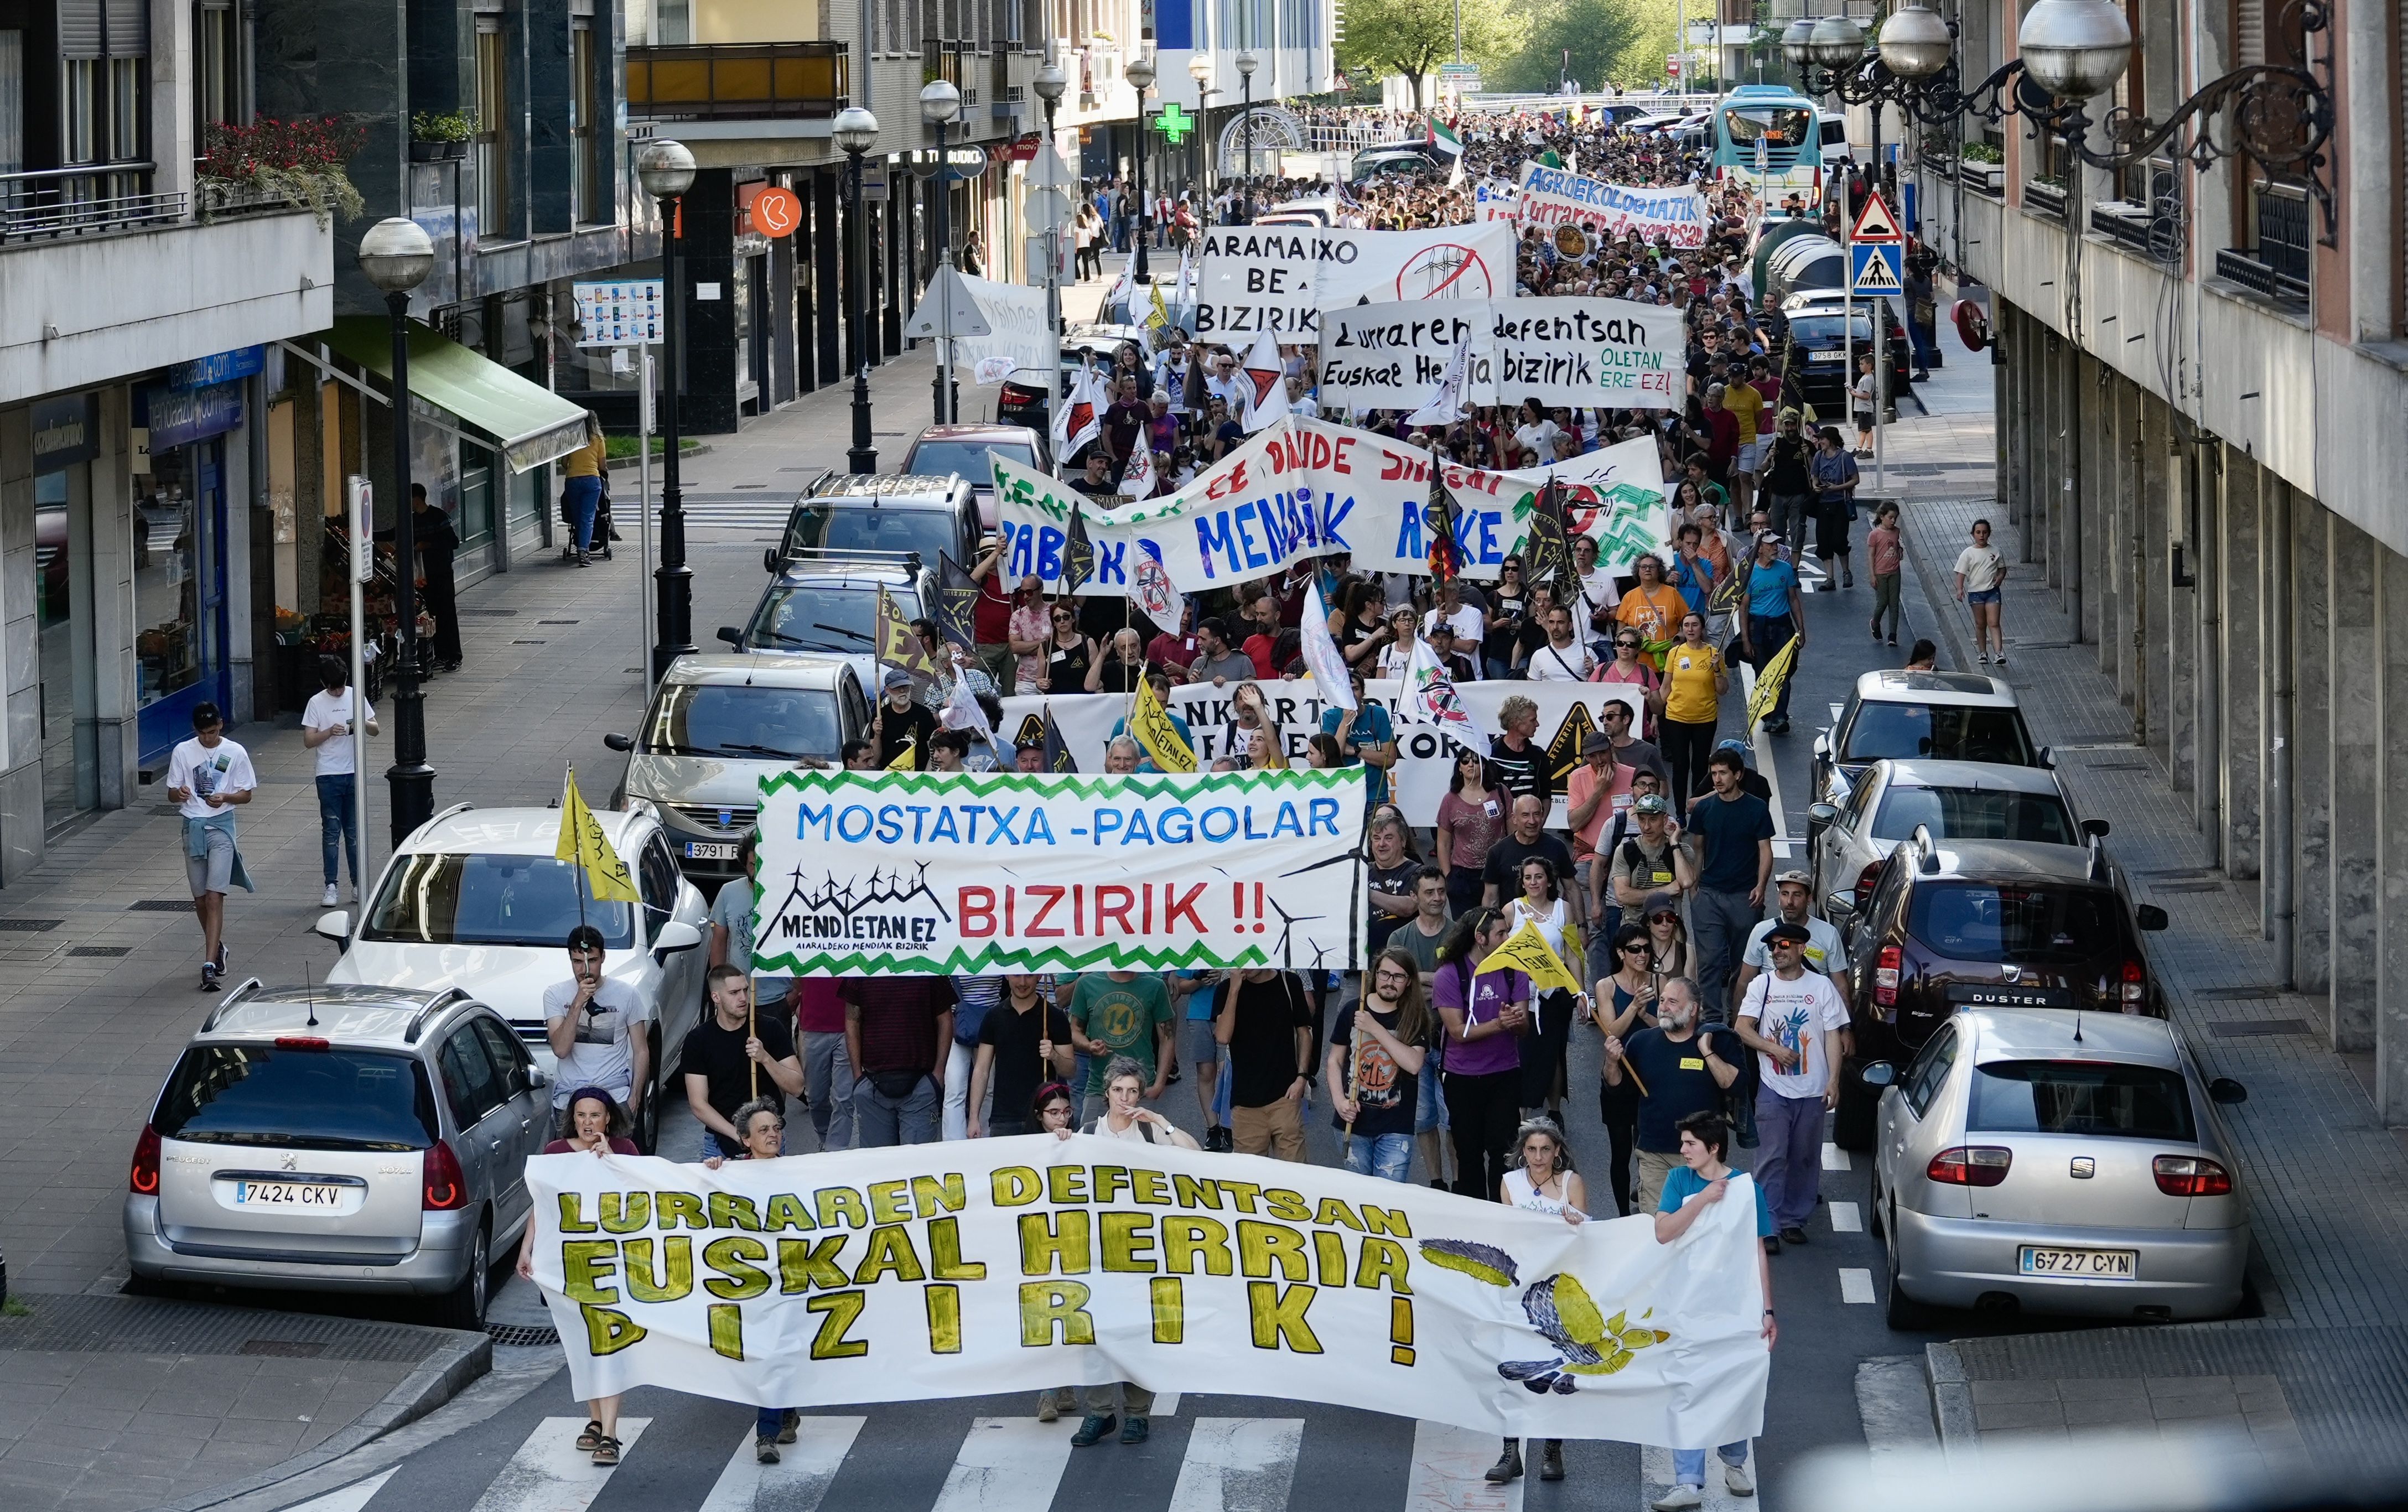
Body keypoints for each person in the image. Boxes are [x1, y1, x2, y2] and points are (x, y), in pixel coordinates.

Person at [1063, 1057, 1198, 1447]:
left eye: (1133, 1091)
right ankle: (1100, 1412)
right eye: (1119, 1090)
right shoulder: (1088, 1132)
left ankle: (1138, 1415)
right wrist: (1059, 1141)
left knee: (1138, 1332)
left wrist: (1160, 1121)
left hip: (1143, 1249)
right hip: (1096, 1250)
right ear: (1107, 1092)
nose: (1125, 1098)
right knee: (1097, 1332)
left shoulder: (1149, 1132)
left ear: (1141, 1094)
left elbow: (1193, 1155)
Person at [1649, 1110, 1774, 1511]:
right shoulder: (1679, 1180)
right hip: (1686, 1303)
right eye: (1683, 1142)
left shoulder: (1746, 1188)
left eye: (1690, 1143)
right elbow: (1664, 1231)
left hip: (1734, 1303)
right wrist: (1704, 1198)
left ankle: (1734, 1463)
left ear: (1713, 1147)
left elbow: (1758, 1249)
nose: (1683, 1149)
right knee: (1687, 1388)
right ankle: (1688, 1481)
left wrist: (1767, 1310)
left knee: (1733, 1383)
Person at [515, 1088, 638, 1466]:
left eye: (596, 1115)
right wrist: (527, 1248)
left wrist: (611, 1160)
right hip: (569, 1264)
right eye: (581, 1115)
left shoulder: (626, 1149)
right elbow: (543, 1206)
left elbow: (642, 1197)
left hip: (613, 1264)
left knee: (608, 1342)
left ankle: (612, 1433)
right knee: (581, 1340)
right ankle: (596, 1420)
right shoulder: (554, 1152)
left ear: (609, 1119)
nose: (588, 1122)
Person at [1734, 923, 1851, 1250]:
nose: (1777, 951)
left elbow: (1832, 1035)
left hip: (1812, 1090)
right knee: (1771, 1156)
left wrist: (1833, 1080)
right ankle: (1767, 1225)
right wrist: (1773, 1049)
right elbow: (1742, 1028)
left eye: (1784, 945)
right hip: (1773, 1088)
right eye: (1773, 946)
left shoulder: (1822, 987)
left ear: (1802, 949)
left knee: (1803, 1157)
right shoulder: (1762, 985)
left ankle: (1793, 1220)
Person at [1488, 1116, 1586, 1486]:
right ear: (1522, 1151)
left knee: (1554, 1372)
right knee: (1512, 1370)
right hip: (1520, 1290)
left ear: (1557, 1150)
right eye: (1532, 1149)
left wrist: (1577, 1223)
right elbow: (1509, 1236)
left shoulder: (1572, 1183)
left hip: (1560, 1294)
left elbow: (1585, 1238)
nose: (1539, 1156)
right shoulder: (1510, 1183)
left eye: (1546, 1149)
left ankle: (1551, 1450)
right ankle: (1510, 1451)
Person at [1602, 978, 1744, 1212]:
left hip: (1704, 1153)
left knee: (1702, 1225)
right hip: (1654, 1153)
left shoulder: (1716, 1041)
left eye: (1673, 1002)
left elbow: (1735, 1085)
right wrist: (1611, 1063)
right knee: (1657, 1227)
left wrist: (1707, 1052)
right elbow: (1618, 1091)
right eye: (1662, 1000)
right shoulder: (1641, 1042)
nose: (1664, 1007)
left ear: (1693, 1009)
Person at [1433, 908, 1532, 1199]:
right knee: (1469, 1154)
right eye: (1501, 933)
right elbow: (1457, 1032)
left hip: (1504, 1074)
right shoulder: (1449, 975)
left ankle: (1503, 1215)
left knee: (1504, 1153)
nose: (1508, 938)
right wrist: (1499, 1024)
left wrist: (1516, 1021)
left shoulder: (1515, 971)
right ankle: (1477, 1218)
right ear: (1480, 938)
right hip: (1462, 1077)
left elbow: (1523, 1029)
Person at [165, 703, 257, 990]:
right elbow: (171, 793)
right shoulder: (183, 751)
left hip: (220, 826)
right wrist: (178, 793)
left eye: (214, 731)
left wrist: (227, 797)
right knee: (201, 901)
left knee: (215, 896)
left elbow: (247, 795)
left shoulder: (235, 752)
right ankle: (217, 948)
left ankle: (208, 965)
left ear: (221, 725)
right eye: (203, 733)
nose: (209, 737)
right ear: (196, 731)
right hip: (192, 827)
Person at [1326, 949, 1429, 1182]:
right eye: (1384, 974)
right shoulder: (1353, 1009)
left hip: (1396, 1127)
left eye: (1398, 977)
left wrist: (1375, 1028)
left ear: (1408, 982)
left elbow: (1414, 1064)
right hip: (1353, 1122)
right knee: (1357, 1198)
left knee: (1389, 1200)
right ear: (1375, 975)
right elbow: (1335, 1060)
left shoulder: (1415, 1017)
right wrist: (1339, 1101)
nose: (1390, 982)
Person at [1688, 748, 1774, 1021]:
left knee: (1743, 963)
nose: (1717, 779)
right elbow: (1698, 849)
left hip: (1744, 896)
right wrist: (1694, 888)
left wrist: (1761, 886)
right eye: (1713, 773)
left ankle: (1737, 1017)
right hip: (1709, 895)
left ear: (1737, 774)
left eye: (1723, 773)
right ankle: (1712, 1020)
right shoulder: (1704, 809)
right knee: (1709, 960)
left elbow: (1765, 850)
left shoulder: (1757, 808)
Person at [684, 964, 805, 1158]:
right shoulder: (699, 1040)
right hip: (720, 1144)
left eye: (745, 990)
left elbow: (798, 1087)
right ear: (716, 997)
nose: (743, 998)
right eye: (734, 993)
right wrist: (740, 1135)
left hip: (768, 1140)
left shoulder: (770, 1028)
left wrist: (766, 1059)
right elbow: (698, 1103)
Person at [544, 926, 652, 1135]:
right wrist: (577, 1003)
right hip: (570, 1097)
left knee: (616, 1163)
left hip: (615, 1095)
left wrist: (636, 1097)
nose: (584, 969)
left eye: (591, 961)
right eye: (577, 962)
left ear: (603, 957)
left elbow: (641, 1050)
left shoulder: (627, 994)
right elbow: (561, 1049)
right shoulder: (555, 994)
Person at [1593, 925, 1660, 1217]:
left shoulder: (1659, 981)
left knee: (1651, 1150)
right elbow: (1611, 1032)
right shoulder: (1606, 986)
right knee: (1620, 1150)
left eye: (1646, 948)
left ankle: (1650, 1208)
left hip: (1653, 1074)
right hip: (1619, 1074)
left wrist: (1646, 1014)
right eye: (1634, 949)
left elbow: (1670, 1028)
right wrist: (1634, 1007)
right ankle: (1623, 1215)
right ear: (1621, 953)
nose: (1642, 954)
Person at [300, 656, 377, 907]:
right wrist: (328, 732)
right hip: (329, 774)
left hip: (353, 771)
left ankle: (358, 884)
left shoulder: (355, 696)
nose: (338, 691)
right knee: (332, 832)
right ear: (325, 684)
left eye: (341, 686)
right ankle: (331, 885)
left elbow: (375, 728)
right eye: (334, 688)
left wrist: (359, 723)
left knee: (354, 832)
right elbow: (309, 740)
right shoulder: (316, 703)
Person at [842, 976, 955, 1146]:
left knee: (918, 1167)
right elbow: (852, 1021)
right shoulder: (861, 969)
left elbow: (945, 1019)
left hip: (920, 1086)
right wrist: (858, 1078)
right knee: (879, 1168)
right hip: (873, 1085)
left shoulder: (930, 968)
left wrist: (938, 1074)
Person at [1216, 968, 1316, 1160]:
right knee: (1250, 1182)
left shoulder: (1289, 981)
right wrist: (1234, 990)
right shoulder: (1226, 989)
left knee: (1295, 1177)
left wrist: (1302, 1078)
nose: (1247, 965)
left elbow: (1304, 1032)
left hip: (1285, 1096)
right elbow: (1222, 1036)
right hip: (1245, 1104)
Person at [1030, 1081, 1086, 1424]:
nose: (1061, 1119)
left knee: (1072, 1312)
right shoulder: (1024, 1148)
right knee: (1043, 1316)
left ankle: (1065, 1386)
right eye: (1053, 1113)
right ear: (1039, 1117)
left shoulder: (1081, 1142)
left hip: (1073, 1238)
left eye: (1066, 1111)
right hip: (1037, 1241)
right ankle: (1047, 1394)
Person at [1507, 856, 1579, 1121]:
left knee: (1554, 1054)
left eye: (1539, 877)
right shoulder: (1511, 910)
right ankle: (1521, 1115)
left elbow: (1572, 954)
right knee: (1522, 1053)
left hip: (1555, 994)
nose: (1534, 882)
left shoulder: (1564, 909)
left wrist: (1580, 993)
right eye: (1528, 877)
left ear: (1549, 880)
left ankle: (1554, 1112)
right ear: (1522, 882)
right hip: (1521, 995)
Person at [968, 974, 1075, 1137]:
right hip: (1003, 1118)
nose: (1023, 982)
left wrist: (1054, 1056)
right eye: (1017, 975)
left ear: (1039, 976)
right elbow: (981, 1070)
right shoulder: (993, 1016)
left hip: (1043, 1117)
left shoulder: (1055, 1016)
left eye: (1029, 975)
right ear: (1006, 975)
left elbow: (1070, 1071)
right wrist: (974, 1117)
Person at [1068, 969, 1176, 1121]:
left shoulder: (1155, 986)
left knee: (1141, 1143)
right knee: (1091, 1141)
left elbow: (1167, 1038)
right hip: (1099, 1088)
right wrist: (1088, 1046)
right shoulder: (1086, 984)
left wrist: (1159, 1085)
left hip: (1140, 1089)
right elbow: (1074, 1031)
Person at [709, 835, 789, 1033]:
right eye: (753, 865)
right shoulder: (728, 892)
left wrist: (797, 992)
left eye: (762, 864)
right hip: (736, 996)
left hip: (777, 997)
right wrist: (718, 988)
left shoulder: (787, 893)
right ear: (745, 864)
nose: (758, 870)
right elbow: (719, 941)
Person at [1734, 871, 1851, 1006]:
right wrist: (1739, 1025)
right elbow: (1744, 983)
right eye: (1785, 894)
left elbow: (1840, 986)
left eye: (1797, 895)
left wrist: (1846, 1026)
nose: (1790, 902)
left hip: (1814, 1013)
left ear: (1809, 899)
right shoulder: (1761, 931)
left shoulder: (1829, 934)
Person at [1738, 530, 1804, 735]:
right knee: (1764, 674)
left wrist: (1801, 629)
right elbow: (1744, 608)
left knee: (1783, 673)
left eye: (1776, 544)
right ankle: (1768, 715)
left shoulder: (1785, 569)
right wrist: (1745, 640)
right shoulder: (1749, 573)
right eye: (1770, 545)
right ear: (1760, 549)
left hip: (1783, 627)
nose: (1775, 548)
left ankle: (1781, 716)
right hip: (1758, 627)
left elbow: (1793, 598)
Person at [1656, 612, 1726, 802]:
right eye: (1686, 625)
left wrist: (1717, 670)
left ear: (1702, 629)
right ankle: (1679, 812)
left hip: (1705, 719)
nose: (1690, 629)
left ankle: (1696, 808)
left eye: (1695, 625)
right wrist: (1655, 715)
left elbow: (1722, 690)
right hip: (1677, 717)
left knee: (1700, 766)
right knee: (1680, 766)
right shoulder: (1675, 653)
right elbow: (1665, 687)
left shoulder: (1714, 653)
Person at [1318, 666, 1398, 806]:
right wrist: (1346, 721)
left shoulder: (1378, 714)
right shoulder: (1330, 717)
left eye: (1355, 689)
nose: (1351, 694)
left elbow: (1390, 760)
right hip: (1343, 796)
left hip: (1375, 797)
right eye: (1346, 690)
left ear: (1363, 692)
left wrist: (1354, 751)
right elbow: (1330, 758)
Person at [1481, 794, 1576, 912]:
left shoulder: (1557, 847)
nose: (1532, 821)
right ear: (1514, 818)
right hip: (1512, 924)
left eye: (1536, 814)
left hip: (1550, 923)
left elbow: (1572, 889)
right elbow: (1491, 898)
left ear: (1542, 816)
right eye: (1525, 815)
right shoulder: (1497, 852)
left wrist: (1582, 926)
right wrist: (1491, 928)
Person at [406, 484, 463, 672]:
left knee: (447, 614)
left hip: (443, 573)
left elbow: (453, 542)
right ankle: (440, 654)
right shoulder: (412, 520)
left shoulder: (439, 517)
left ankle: (454, 656)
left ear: (417, 499)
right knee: (432, 615)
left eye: (410, 499)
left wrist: (428, 545)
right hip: (424, 577)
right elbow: (395, 533)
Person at [1809, 424, 1860, 588]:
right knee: (1823, 541)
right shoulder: (1818, 456)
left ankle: (1846, 572)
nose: (1819, 442)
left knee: (1839, 540)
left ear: (1831, 440)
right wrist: (1816, 486)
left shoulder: (1844, 457)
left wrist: (1837, 488)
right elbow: (1814, 476)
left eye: (1822, 439)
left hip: (1840, 503)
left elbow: (1855, 479)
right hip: (1823, 504)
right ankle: (1830, 578)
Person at [1954, 516, 2008, 666]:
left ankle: (1999, 653)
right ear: (1973, 534)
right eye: (1978, 532)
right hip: (1976, 593)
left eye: (1984, 532)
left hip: (1992, 592)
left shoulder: (1996, 551)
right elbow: (1961, 573)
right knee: (1980, 624)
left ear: (1989, 533)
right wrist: (1960, 589)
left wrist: (2000, 577)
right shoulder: (1968, 553)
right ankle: (1983, 653)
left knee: (1994, 623)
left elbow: (2002, 569)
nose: (1982, 536)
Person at [1487, 695, 1553, 807]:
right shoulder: (1491, 754)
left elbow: (1546, 795)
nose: (1537, 724)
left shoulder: (1539, 755)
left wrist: (1539, 822)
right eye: (1532, 720)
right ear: (1516, 722)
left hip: (1531, 821)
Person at [560, 415, 609, 566]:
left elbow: (564, 463)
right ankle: (583, 552)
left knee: (576, 516)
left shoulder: (571, 439)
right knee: (588, 517)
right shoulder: (598, 440)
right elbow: (602, 466)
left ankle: (579, 546)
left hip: (572, 481)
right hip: (591, 482)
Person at [870, 667, 938, 768]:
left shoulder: (924, 714)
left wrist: (925, 775)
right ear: (887, 690)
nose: (902, 691)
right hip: (888, 776)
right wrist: (877, 734)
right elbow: (874, 760)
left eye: (905, 686)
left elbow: (934, 752)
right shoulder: (880, 716)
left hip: (917, 776)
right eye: (897, 688)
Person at [1524, 603, 1595, 682]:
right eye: (1551, 622)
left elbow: (1597, 686)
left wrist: (1592, 671)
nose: (1555, 627)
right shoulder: (1538, 655)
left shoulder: (1588, 653)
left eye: (1560, 622)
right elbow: (1532, 687)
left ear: (1570, 626)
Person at [1866, 502, 1904, 645]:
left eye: (1895, 518)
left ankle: (1893, 636)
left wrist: (1900, 550)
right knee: (1882, 602)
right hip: (1880, 573)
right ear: (1882, 517)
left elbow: (1897, 545)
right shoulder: (1874, 535)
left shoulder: (1896, 531)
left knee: (1894, 604)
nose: (1893, 521)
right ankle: (1875, 622)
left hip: (1894, 571)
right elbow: (1871, 555)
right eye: (1890, 518)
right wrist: (1872, 575)